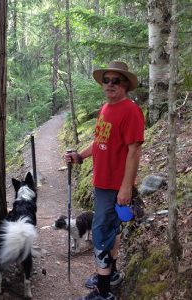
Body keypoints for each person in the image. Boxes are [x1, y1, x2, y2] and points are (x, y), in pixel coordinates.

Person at [65, 61, 145, 300]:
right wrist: (79, 156)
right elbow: (100, 141)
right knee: (111, 230)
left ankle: (103, 291)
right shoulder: (105, 108)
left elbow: (134, 152)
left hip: (114, 186)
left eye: (115, 81)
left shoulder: (130, 111)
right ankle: (111, 274)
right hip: (102, 183)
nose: (110, 84)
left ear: (125, 85)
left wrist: (125, 188)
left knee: (100, 233)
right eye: (106, 80)